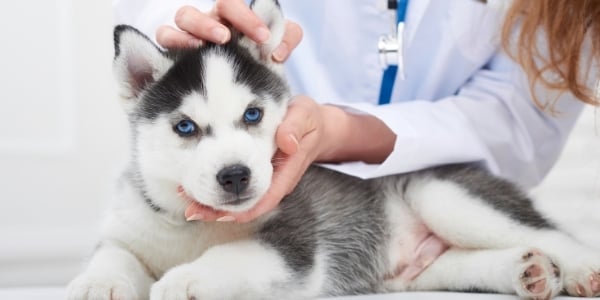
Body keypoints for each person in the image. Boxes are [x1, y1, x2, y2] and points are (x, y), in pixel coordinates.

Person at [112, 0, 599, 223]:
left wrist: (343, 130)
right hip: (252, 220)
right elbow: (158, 16)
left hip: (437, 217)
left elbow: (520, 122)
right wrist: (185, 25)